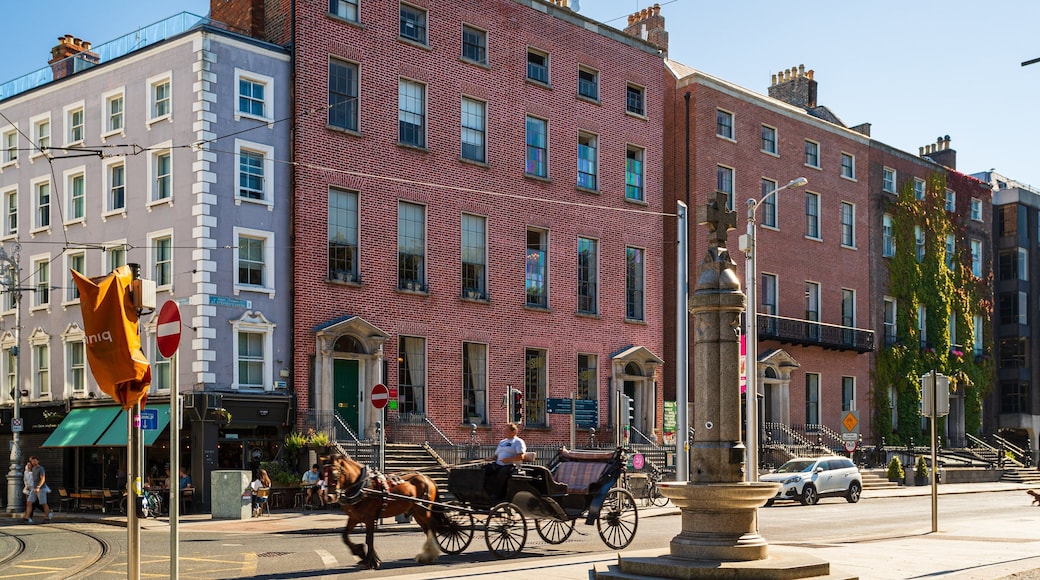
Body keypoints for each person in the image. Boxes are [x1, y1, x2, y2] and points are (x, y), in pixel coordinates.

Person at [485, 423, 526, 501]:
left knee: (502, 472)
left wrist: (508, 460)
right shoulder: (502, 442)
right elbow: (496, 456)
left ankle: (497, 495)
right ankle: (485, 491)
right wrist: (490, 458)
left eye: (506, 430)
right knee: (485, 469)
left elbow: (521, 456)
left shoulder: (518, 442)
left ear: (513, 431)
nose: (504, 432)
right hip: (499, 464)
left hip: (511, 466)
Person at [25, 456, 52, 523]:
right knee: (29, 502)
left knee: (43, 503)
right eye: (32, 461)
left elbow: (43, 478)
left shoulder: (41, 468)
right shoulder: (33, 469)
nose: (33, 462)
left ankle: (47, 517)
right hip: (34, 488)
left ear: (38, 461)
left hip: (41, 488)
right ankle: (27, 517)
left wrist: (38, 487)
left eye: (35, 461)